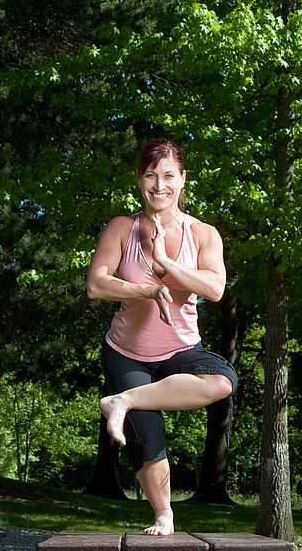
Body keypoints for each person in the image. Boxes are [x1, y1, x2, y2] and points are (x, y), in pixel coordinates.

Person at [86, 139, 237, 536]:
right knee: (146, 431)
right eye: (151, 175)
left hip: (182, 349)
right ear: (139, 179)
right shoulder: (122, 228)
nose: (159, 185)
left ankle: (121, 401)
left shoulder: (203, 234)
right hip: (128, 352)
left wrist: (165, 263)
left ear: (183, 179)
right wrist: (147, 290)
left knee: (222, 381)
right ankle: (164, 514)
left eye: (169, 175)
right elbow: (97, 285)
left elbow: (215, 288)